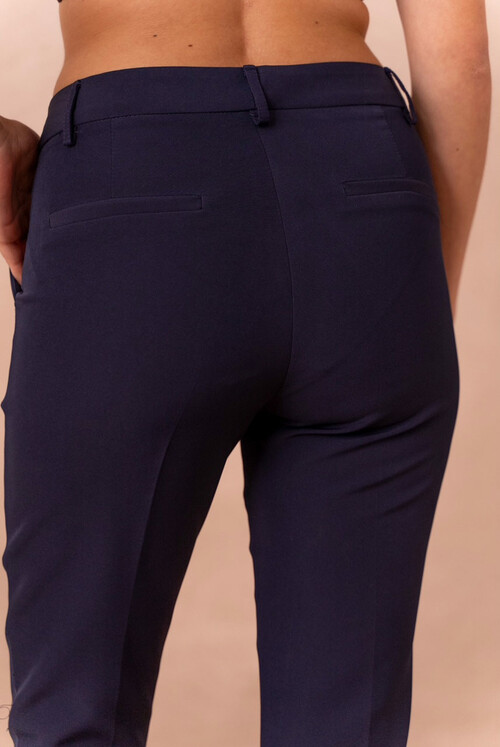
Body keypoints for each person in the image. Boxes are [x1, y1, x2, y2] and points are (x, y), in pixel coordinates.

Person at [0, 1, 491, 745]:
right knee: (346, 727)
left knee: (74, 712)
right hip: (364, 193)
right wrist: (418, 298)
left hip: (133, 188)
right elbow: (460, 52)